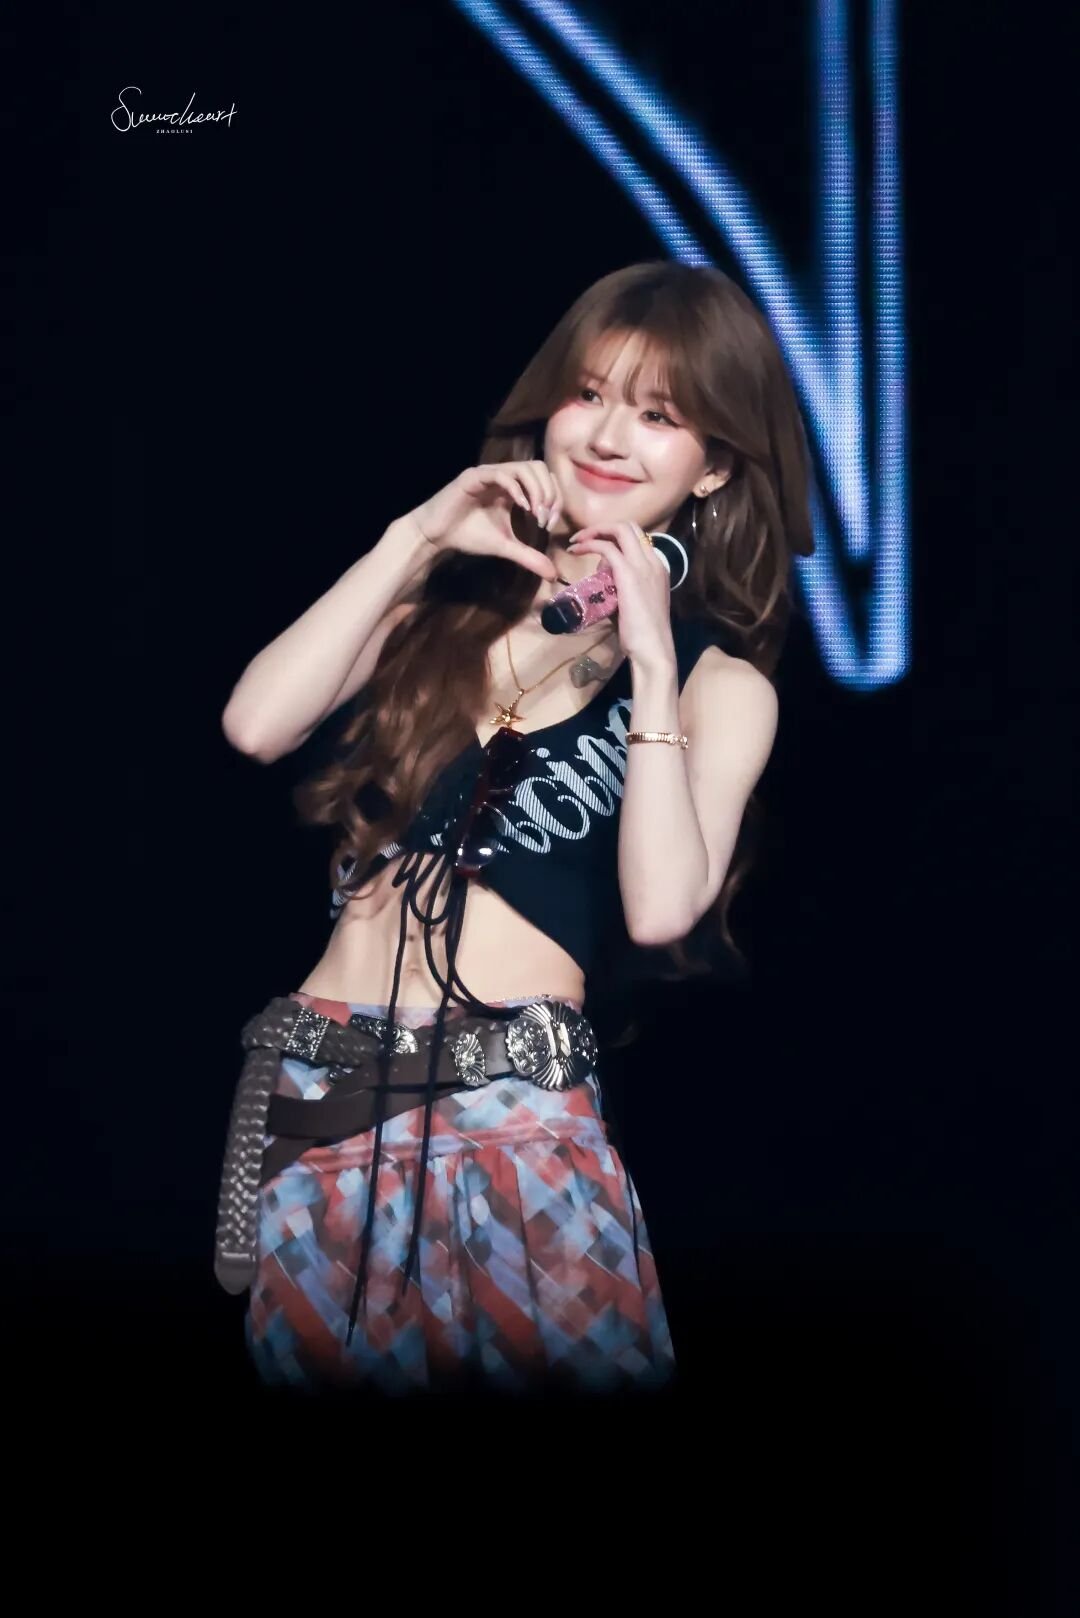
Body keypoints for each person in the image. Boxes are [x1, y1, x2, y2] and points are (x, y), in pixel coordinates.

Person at [214, 259, 814, 1399]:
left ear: (715, 465)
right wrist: (416, 535)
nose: (609, 436)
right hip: (322, 1106)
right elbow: (255, 723)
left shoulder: (716, 686)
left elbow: (662, 907)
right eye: (589, 394)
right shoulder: (440, 604)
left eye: (660, 416)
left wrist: (649, 658)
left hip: (517, 1124)